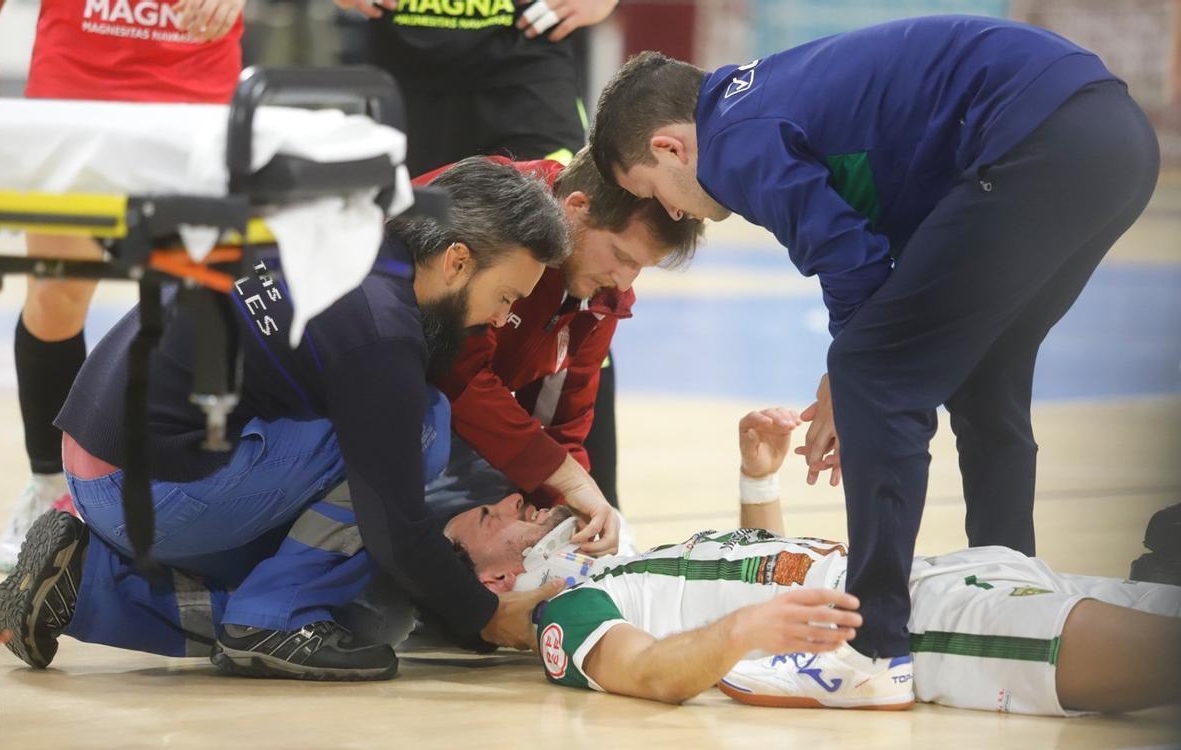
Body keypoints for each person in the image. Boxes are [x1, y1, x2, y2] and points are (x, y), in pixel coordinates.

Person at [587, 15, 1161, 691]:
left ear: (672, 147)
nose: (672, 213)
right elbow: (900, 258)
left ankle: (873, 648)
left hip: (1041, 138)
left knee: (873, 374)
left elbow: (847, 257)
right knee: (983, 379)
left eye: (653, 191)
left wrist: (851, 373)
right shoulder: (764, 95)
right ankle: (1012, 588)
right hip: (1112, 137)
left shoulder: (732, 139)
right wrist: (855, 364)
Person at [0, 158, 575, 680]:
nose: (502, 319)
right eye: (505, 297)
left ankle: (86, 585)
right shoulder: (382, 333)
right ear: (457, 261)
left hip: (94, 456)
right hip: (142, 486)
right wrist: (487, 617)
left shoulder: (347, 230)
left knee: (320, 562)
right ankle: (276, 621)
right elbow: (394, 527)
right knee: (420, 429)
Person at [448, 407, 1181, 715]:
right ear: (494, 580)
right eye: (491, 517)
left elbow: (769, 572)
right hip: (908, 631)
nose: (515, 504)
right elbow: (647, 675)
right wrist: (740, 636)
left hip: (932, 573)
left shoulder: (628, 564)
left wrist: (757, 480)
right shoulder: (571, 615)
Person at [0, 0, 247, 572]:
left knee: (196, 300)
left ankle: (189, 492)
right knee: (57, 293)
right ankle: (49, 487)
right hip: (74, 93)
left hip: (194, 100)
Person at [335, 0, 626, 513]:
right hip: (407, 63)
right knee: (404, 288)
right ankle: (382, 511)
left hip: (528, 61)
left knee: (577, 287)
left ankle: (590, 516)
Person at [416, 150, 703, 539]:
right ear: (577, 208)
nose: (623, 281)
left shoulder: (599, 294)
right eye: (621, 256)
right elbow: (459, 373)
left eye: (639, 268)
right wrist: (568, 479)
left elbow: (562, 424)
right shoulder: (498, 213)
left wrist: (570, 507)